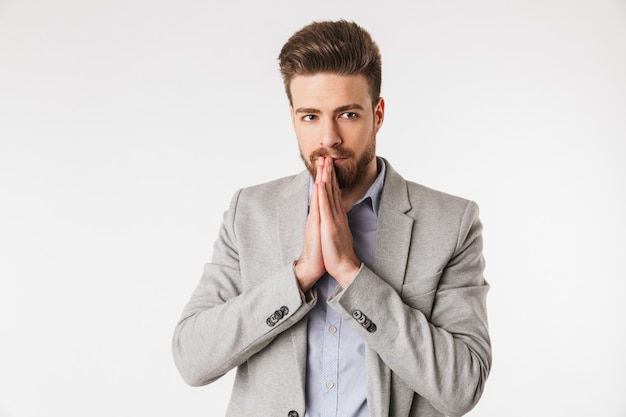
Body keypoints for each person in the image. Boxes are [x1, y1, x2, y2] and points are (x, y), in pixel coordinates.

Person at [172, 20, 491, 417]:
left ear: (378, 114)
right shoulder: (249, 212)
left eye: (348, 115)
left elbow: (462, 387)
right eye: (310, 117)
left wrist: (351, 275)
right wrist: (301, 274)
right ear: (292, 118)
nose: (329, 138)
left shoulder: (450, 222)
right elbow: (192, 359)